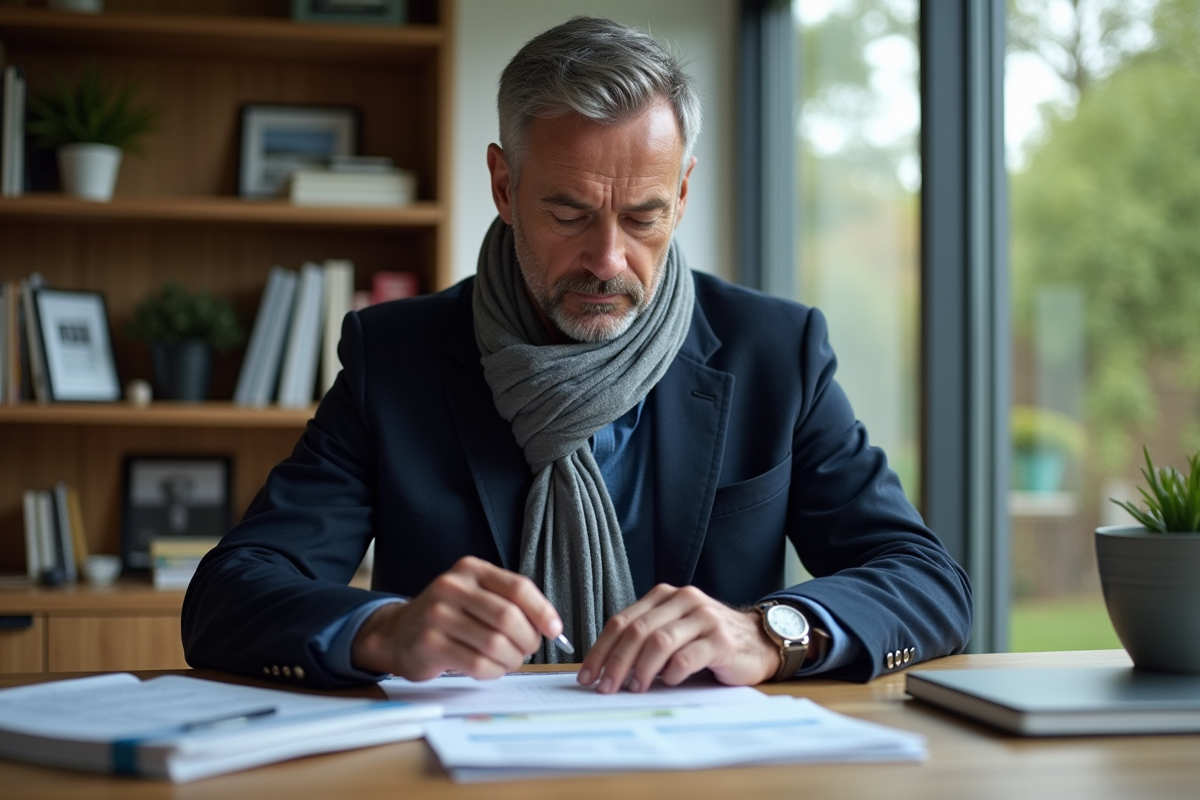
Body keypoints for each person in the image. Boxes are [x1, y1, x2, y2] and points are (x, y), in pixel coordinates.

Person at [182, 16, 972, 693]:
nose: (607, 259)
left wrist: (770, 633)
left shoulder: (776, 352)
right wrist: (382, 630)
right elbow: (229, 596)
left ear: (683, 194)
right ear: (502, 184)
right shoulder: (396, 358)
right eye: (568, 212)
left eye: (643, 216)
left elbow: (928, 582)